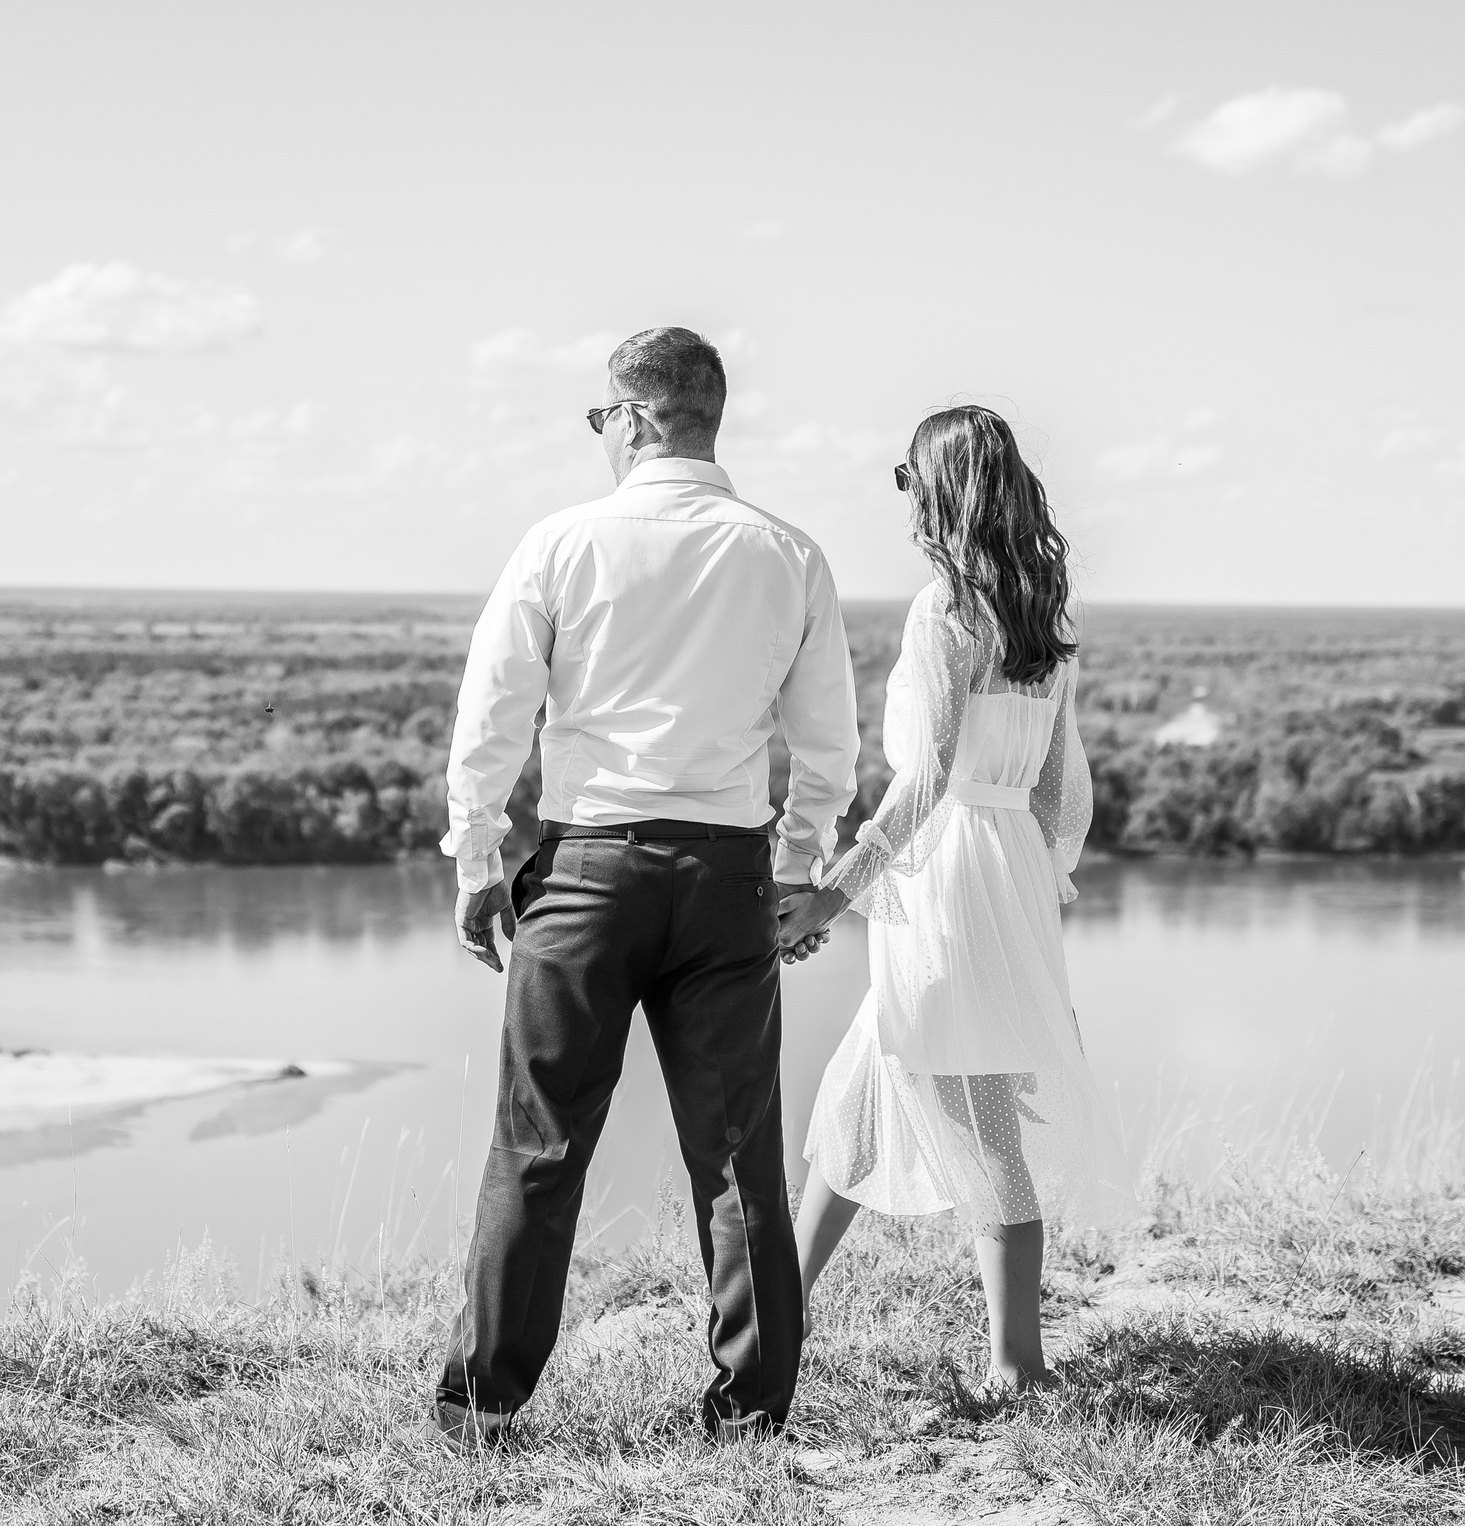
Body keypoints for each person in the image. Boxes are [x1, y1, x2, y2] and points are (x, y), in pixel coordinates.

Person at [436, 327, 860, 1443]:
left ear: (632, 417)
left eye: (599, 418)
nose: (600, 436)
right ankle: (752, 1411)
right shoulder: (789, 553)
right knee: (736, 1153)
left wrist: (479, 859)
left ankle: (483, 1410)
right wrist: (799, 864)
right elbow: (828, 743)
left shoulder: (560, 542)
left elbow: (492, 715)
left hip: (587, 868)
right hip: (725, 876)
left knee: (538, 1143)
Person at [777, 406, 1096, 1391]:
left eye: (908, 478)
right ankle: (770, 1315)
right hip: (997, 874)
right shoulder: (1045, 611)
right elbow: (1054, 786)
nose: (904, 498)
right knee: (860, 1098)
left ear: (941, 490)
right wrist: (1036, 898)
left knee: (979, 1125)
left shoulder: (942, 610)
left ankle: (1020, 1370)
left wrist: (839, 886)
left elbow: (926, 777)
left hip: (944, 872)